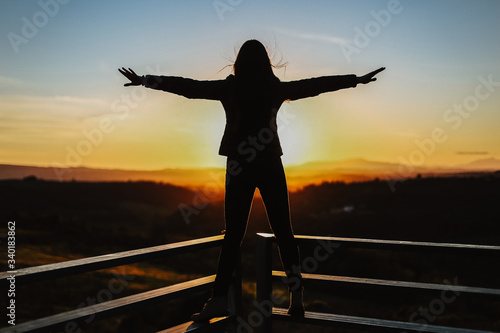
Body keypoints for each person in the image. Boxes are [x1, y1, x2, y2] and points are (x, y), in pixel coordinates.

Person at [119, 39, 385, 322]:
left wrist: (146, 80)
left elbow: (190, 87)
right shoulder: (275, 89)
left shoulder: (229, 87)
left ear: (239, 62)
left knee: (233, 236)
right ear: (266, 62)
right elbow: (315, 85)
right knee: (283, 230)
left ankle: (219, 299)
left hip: (238, 165)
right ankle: (297, 296)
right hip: (270, 163)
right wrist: (355, 80)